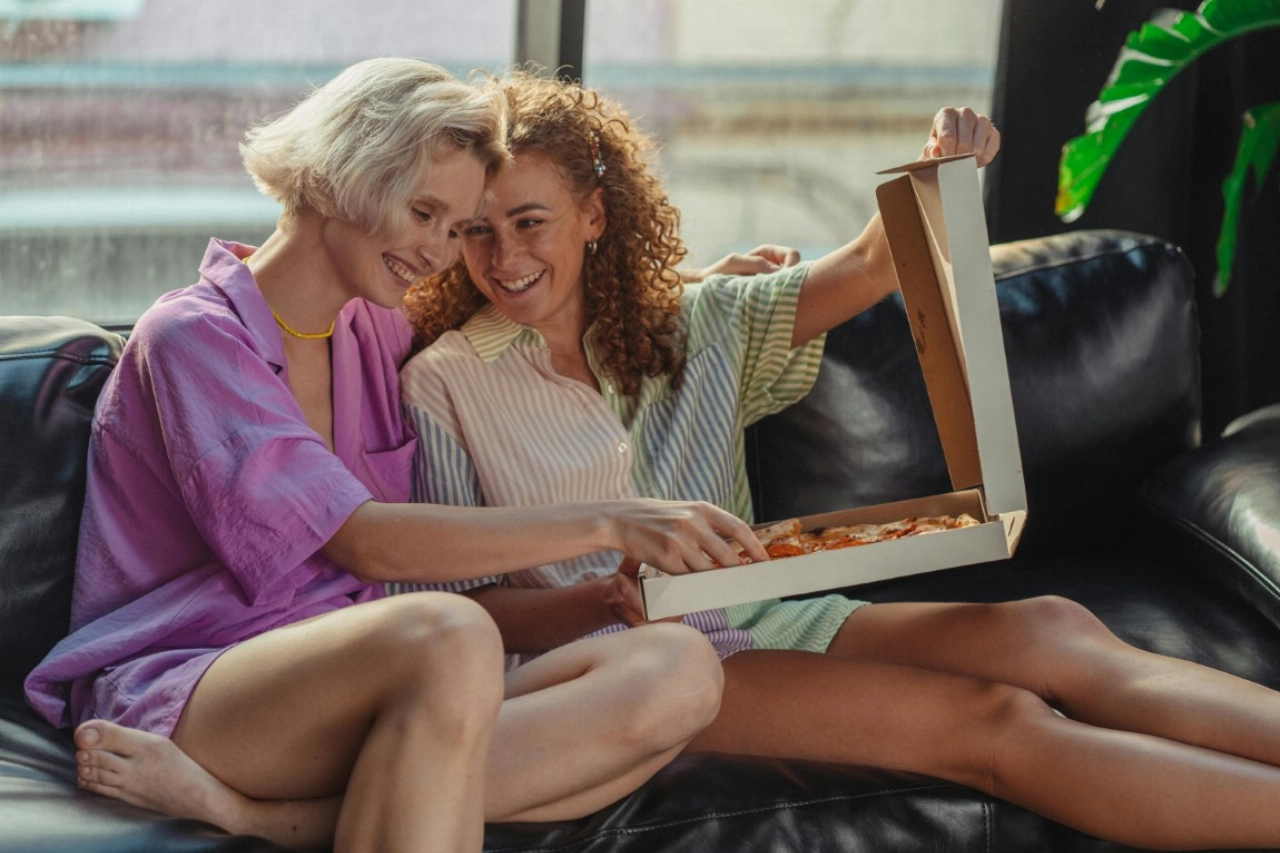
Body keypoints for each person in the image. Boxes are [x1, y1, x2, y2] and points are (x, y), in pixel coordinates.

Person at [392, 71, 1280, 849]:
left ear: (593, 215)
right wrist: (598, 597)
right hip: (625, 670)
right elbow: (456, 614)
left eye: (529, 221)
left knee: (1049, 626)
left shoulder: (699, 324)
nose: (502, 257)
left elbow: (868, 262)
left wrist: (939, 168)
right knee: (994, 723)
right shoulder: (443, 384)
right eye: (477, 231)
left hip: (765, 615)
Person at [23, 59, 769, 853]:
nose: (442, 251)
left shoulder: (371, 328)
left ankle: (257, 819)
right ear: (341, 176)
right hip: (200, 683)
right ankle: (259, 792)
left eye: (454, 228)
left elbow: (526, 285)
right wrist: (612, 522)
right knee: (452, 632)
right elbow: (363, 538)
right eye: (425, 213)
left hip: (380, 681)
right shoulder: (194, 337)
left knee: (680, 668)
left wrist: (677, 285)